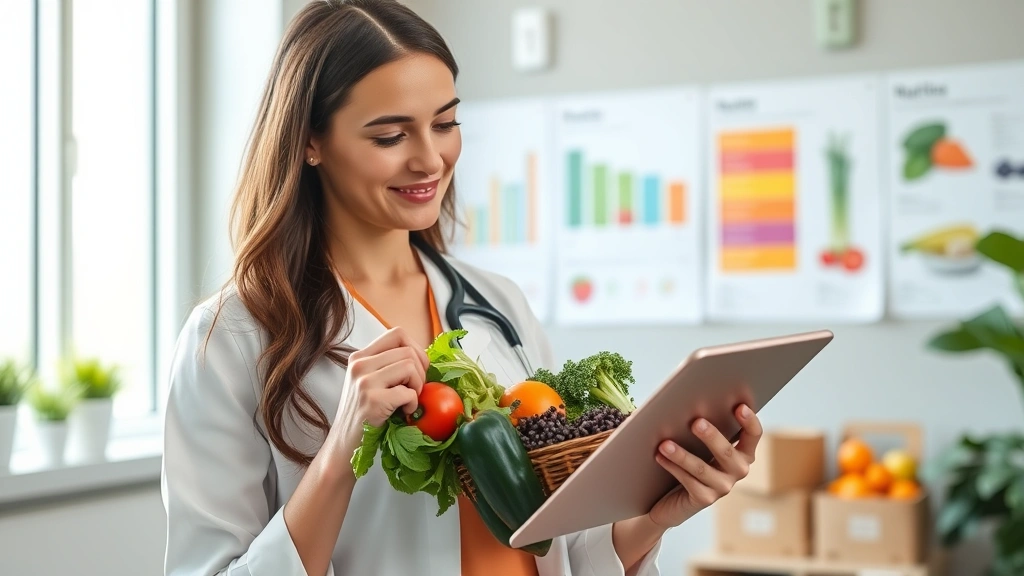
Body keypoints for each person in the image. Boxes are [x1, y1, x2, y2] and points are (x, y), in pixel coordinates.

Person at [160, 1, 763, 575]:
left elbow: (559, 544)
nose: (431, 160)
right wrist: (343, 448)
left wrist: (652, 520)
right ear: (310, 141)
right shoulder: (233, 339)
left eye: (446, 123)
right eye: (390, 136)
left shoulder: (498, 306)